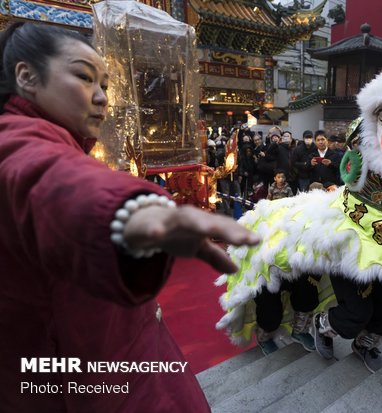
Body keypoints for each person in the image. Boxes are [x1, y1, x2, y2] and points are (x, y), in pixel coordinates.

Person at [0, 22, 260, 412]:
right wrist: (128, 214)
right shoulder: (16, 145)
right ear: (27, 76)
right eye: (84, 78)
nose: (102, 97)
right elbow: (56, 185)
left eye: (105, 84)